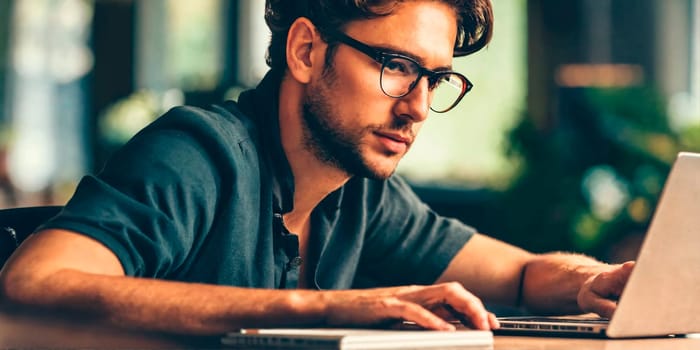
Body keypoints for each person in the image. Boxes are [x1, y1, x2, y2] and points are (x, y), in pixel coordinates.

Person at [0, 0, 634, 335]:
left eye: (435, 79)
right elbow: (35, 282)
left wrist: (598, 281)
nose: (418, 107)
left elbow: (521, 275)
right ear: (306, 50)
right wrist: (325, 307)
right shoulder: (197, 153)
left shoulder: (358, 192)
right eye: (395, 65)